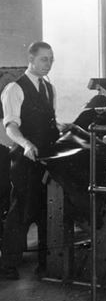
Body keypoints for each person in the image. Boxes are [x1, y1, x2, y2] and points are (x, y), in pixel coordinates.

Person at [1, 41, 63, 280]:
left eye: (51, 59)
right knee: (22, 210)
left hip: (47, 158)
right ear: (31, 59)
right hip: (25, 158)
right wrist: (26, 144)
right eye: (44, 59)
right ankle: (8, 264)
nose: (48, 64)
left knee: (48, 209)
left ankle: (46, 264)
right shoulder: (14, 89)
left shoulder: (49, 88)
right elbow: (11, 126)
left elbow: (50, 121)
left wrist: (62, 127)